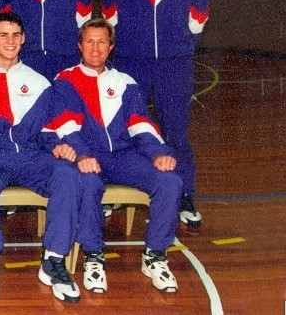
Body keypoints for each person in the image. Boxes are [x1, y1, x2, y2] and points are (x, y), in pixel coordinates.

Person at [44, 17, 183, 294]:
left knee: (171, 182)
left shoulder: (125, 82)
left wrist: (157, 153)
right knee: (89, 182)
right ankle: (94, 256)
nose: (95, 49)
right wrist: (82, 155)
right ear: (79, 46)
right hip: (89, 155)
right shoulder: (65, 80)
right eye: (89, 42)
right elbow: (65, 125)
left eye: (102, 42)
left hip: (124, 155)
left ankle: (154, 255)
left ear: (111, 47)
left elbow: (140, 123)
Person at [0, 11, 87, 304]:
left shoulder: (39, 82)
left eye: (16, 35)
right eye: (3, 35)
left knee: (67, 173)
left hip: (31, 157)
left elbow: (49, 126)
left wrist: (57, 144)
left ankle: (53, 261)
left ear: (24, 39)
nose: (10, 41)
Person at [102, 0, 209, 227]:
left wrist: (176, 47)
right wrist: (133, 46)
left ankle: (183, 193)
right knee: (126, 129)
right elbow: (109, 13)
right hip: (132, 62)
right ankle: (120, 191)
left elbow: (199, 15)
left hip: (174, 63)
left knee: (175, 130)